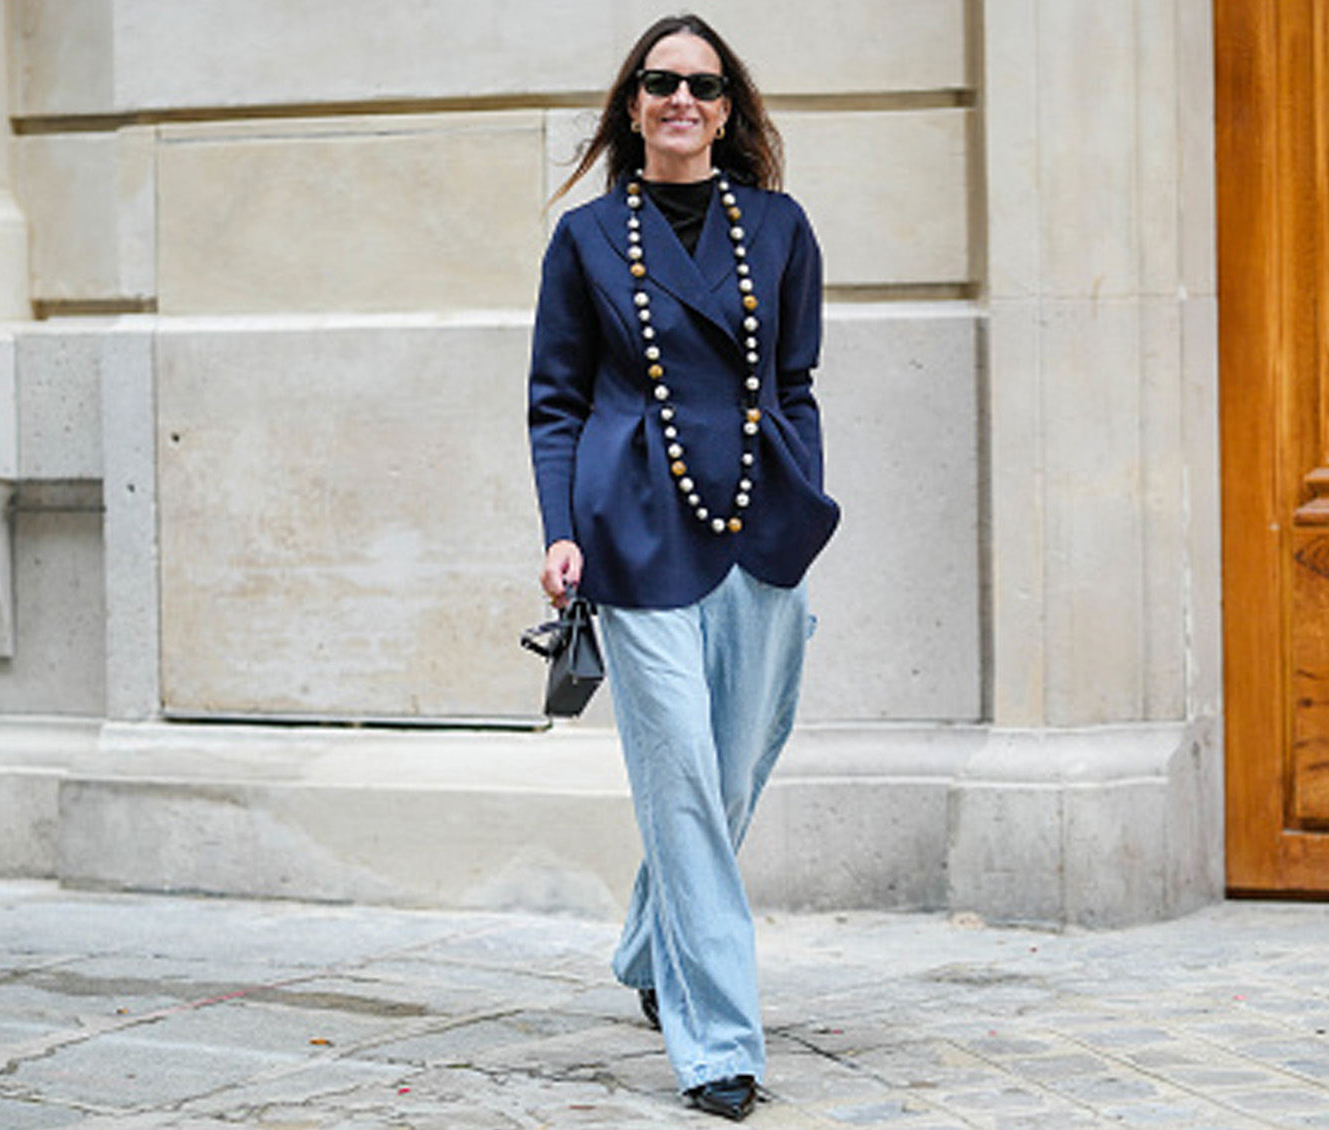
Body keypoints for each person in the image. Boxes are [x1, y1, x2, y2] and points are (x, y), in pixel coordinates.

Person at [526, 13, 840, 1122]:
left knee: (732, 774)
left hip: (760, 524)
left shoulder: (779, 226)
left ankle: (645, 950)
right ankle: (717, 1042)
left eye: (702, 87)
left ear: (726, 110)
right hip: (635, 532)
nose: (680, 101)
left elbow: (793, 379)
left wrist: (802, 486)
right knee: (680, 786)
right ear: (631, 103)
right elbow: (556, 400)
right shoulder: (584, 240)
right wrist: (560, 524)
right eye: (660, 82)